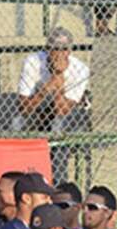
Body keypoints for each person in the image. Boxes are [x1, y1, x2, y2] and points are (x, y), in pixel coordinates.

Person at [14, 27, 90, 184]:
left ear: (70, 51)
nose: (60, 53)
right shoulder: (33, 61)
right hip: (38, 106)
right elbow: (23, 106)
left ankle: (59, 181)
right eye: (55, 49)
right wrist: (47, 88)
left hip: (69, 111)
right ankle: (17, 173)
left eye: (64, 49)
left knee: (58, 124)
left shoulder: (81, 69)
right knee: (17, 122)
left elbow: (63, 110)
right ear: (47, 49)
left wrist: (58, 76)